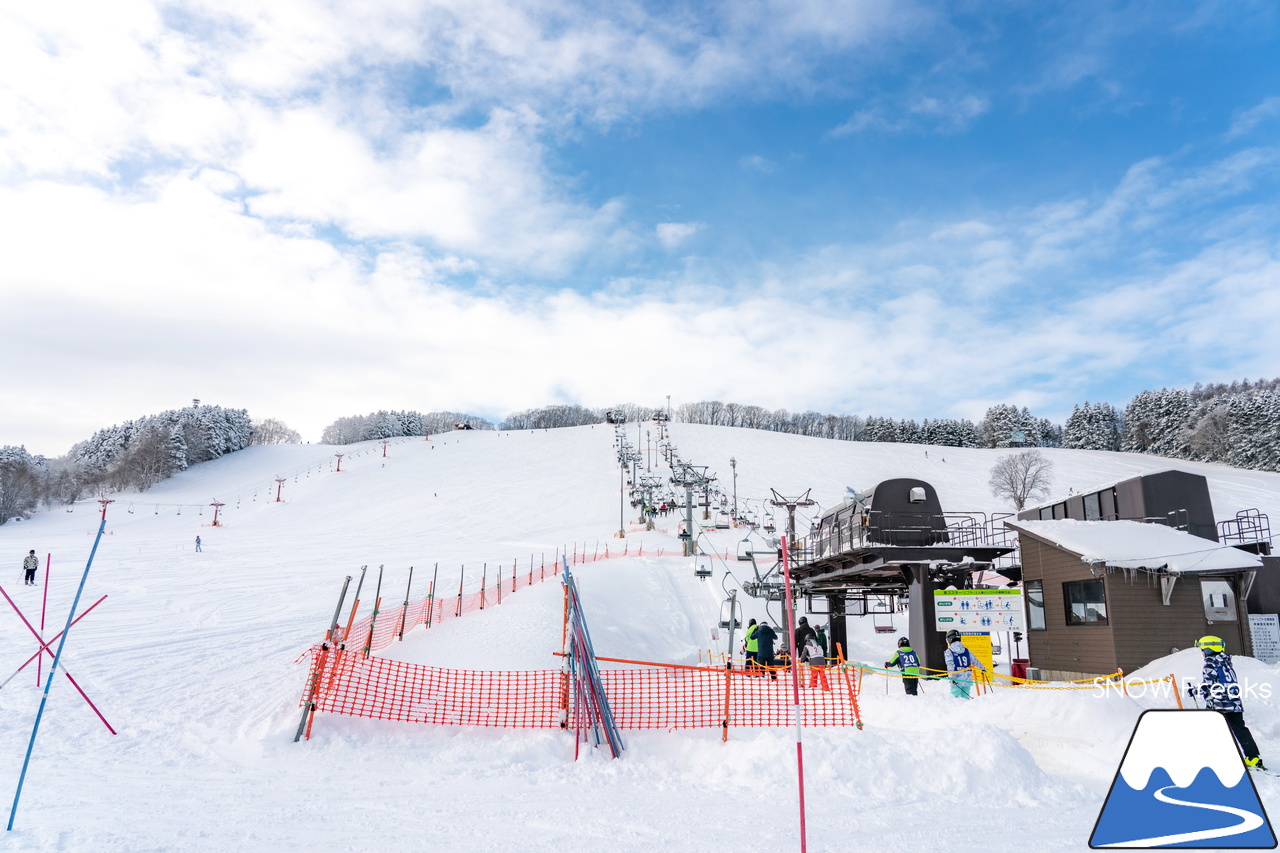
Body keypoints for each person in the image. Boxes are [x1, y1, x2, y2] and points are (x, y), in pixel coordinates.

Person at [1192, 635, 1266, 770]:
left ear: (1209, 650)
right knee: (1240, 730)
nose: (1202, 652)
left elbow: (1209, 684)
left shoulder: (1210, 664)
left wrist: (1195, 691)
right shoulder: (1226, 662)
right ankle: (1253, 758)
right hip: (1234, 702)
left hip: (1219, 704)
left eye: (1202, 649)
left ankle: (1214, 760)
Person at [944, 630, 986, 699]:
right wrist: (983, 668)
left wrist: (951, 677)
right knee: (965, 698)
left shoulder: (949, 651)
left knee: (955, 698)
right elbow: (975, 661)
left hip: (956, 679)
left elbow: (950, 665)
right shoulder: (966, 650)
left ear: (949, 640)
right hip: (967, 679)